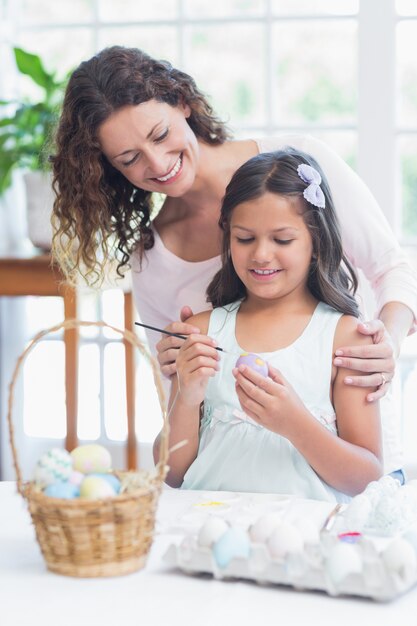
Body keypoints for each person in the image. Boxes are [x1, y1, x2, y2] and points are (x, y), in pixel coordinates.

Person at [51, 45, 417, 480]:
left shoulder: (299, 166)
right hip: (232, 488)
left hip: (346, 464)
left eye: (160, 135)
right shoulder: (152, 261)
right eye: (129, 159)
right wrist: (177, 372)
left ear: (182, 103)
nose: (158, 163)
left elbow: (392, 266)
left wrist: (387, 346)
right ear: (109, 168)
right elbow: (181, 426)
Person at [153, 149, 383, 501]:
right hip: (207, 531)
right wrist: (187, 396)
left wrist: (294, 424)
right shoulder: (202, 331)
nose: (260, 254)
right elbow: (170, 473)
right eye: (244, 238)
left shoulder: (346, 338)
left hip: (304, 538)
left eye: (282, 240)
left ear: (317, 243)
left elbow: (366, 478)